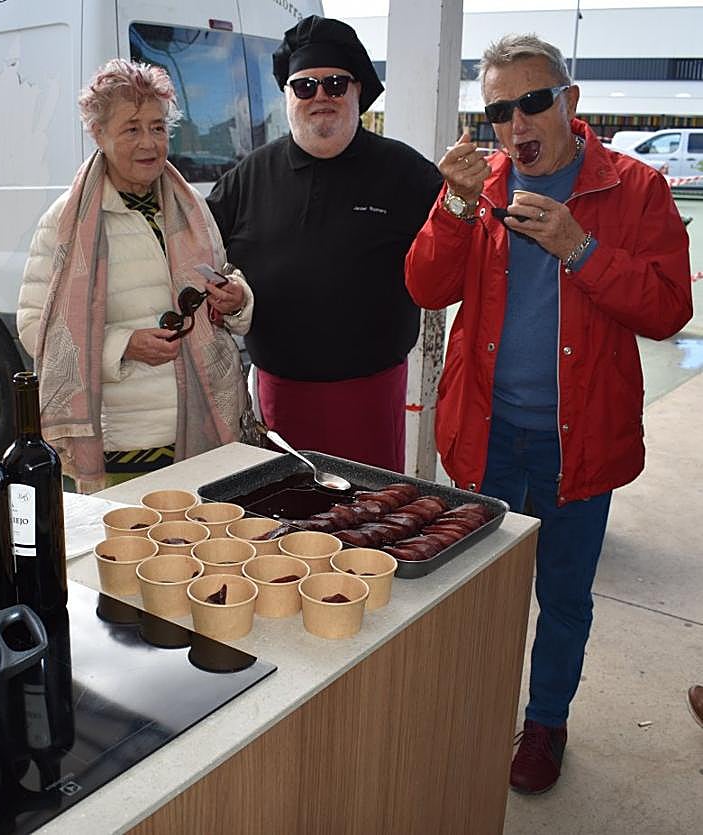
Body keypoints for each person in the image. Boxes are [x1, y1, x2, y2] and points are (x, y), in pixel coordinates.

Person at [405, 34, 692, 794]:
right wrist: (453, 206)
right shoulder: (481, 187)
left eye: (531, 102)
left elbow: (668, 310)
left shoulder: (636, 187)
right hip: (486, 434)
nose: (515, 123)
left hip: (578, 442)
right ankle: (470, 707)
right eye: (499, 110)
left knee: (562, 596)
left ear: (569, 103)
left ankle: (545, 721)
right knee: (472, 591)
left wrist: (580, 247)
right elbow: (426, 288)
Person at [207, 15, 442, 473]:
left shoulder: (407, 173)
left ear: (358, 91)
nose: (321, 97)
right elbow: (190, 245)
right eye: (305, 86)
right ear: (288, 95)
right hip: (279, 399)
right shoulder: (248, 177)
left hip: (370, 398)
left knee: (374, 528)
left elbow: (463, 248)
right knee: (286, 528)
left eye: (335, 84)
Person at [17, 59, 254, 493]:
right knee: (135, 553)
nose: (149, 142)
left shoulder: (192, 209)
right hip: (125, 442)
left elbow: (223, 277)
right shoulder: (65, 223)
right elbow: (37, 327)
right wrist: (123, 346)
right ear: (98, 134)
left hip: (205, 429)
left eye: (158, 127)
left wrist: (237, 299)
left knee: (203, 552)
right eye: (131, 129)